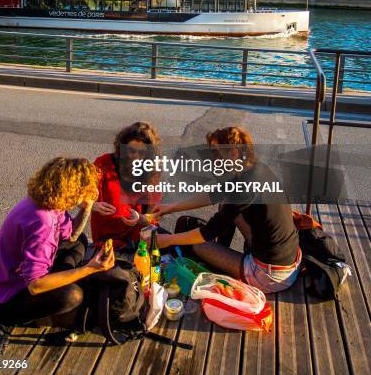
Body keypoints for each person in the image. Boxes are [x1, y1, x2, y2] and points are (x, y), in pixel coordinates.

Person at [153, 127, 301, 293]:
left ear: (234, 153)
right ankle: (221, 255)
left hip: (270, 276)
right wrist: (170, 207)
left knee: (198, 246)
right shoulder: (255, 169)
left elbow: (207, 233)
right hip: (288, 258)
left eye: (217, 153)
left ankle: (219, 260)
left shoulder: (244, 186)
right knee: (225, 206)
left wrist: (169, 239)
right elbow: (214, 194)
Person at [0, 157, 115, 327]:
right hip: (2, 300)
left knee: (79, 241)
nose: (90, 194)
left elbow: (71, 237)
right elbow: (35, 285)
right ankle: (38, 316)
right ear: (73, 190)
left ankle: (62, 278)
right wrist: (89, 269)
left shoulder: (48, 203)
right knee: (72, 295)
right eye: (86, 190)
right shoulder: (43, 222)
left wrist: (86, 208)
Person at [91, 122, 162, 249]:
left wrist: (140, 218)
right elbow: (75, 195)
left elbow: (154, 215)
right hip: (106, 239)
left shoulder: (152, 171)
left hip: (139, 239)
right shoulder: (104, 163)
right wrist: (92, 205)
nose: (136, 156)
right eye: (131, 150)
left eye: (142, 152)